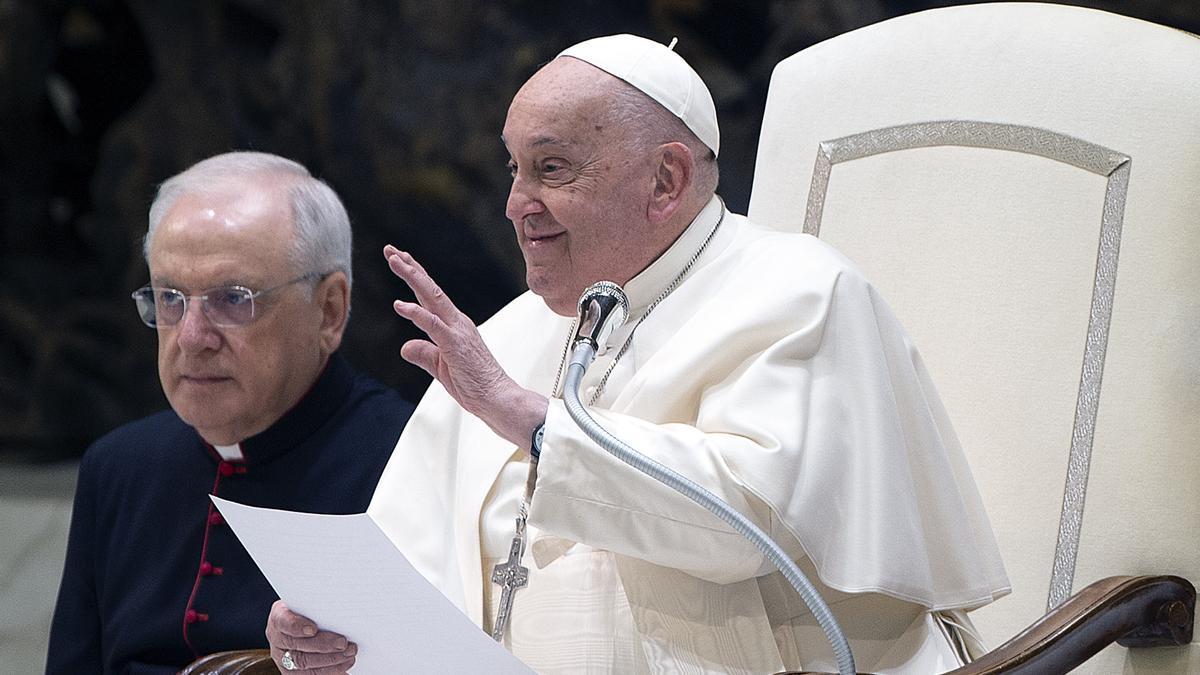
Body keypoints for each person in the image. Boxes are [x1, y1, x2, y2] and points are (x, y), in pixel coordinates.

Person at [266, 35, 1010, 674]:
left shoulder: (802, 293)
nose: (515, 201)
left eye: (551, 168)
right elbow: (410, 560)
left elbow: (749, 527)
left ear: (666, 180)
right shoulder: (509, 336)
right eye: (513, 168)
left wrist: (529, 418)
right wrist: (333, 629)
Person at [45, 152, 415, 675]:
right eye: (169, 298)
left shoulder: (408, 463)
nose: (191, 338)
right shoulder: (119, 466)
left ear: (329, 311)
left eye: (233, 299)